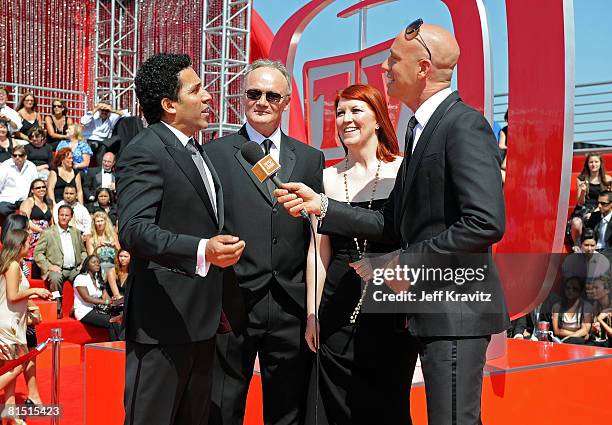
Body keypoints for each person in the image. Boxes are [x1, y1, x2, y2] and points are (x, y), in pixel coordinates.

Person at [276, 20, 509, 424]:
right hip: (426, 312)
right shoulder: (421, 130)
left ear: (422, 68)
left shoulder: (463, 125)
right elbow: (389, 221)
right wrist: (323, 206)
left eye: (393, 60)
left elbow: (484, 222)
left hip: (453, 314)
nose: (384, 68)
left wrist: (406, 261)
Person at [117, 53, 245, 425]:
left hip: (203, 322)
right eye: (197, 89)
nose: (208, 96)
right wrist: (202, 249)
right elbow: (134, 230)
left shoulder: (196, 150)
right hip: (161, 325)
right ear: (169, 105)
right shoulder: (145, 150)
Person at [203, 58, 324, 425]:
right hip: (232, 299)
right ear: (242, 98)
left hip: (289, 302)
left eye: (273, 95)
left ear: (286, 101)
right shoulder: (214, 153)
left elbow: (315, 236)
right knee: (223, 406)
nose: (263, 101)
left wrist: (311, 308)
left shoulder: (309, 158)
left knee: (288, 410)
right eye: (254, 93)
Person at [304, 84, 417, 424]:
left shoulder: (403, 170)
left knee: (388, 405)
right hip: (336, 310)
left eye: (356, 110)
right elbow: (318, 252)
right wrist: (313, 313)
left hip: (391, 308)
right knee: (335, 406)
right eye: (340, 112)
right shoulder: (325, 178)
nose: (346, 119)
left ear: (379, 119)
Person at [0, 228, 51, 419]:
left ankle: (10, 414)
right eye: (28, 243)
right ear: (19, 245)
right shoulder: (12, 265)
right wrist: (35, 292)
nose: (30, 246)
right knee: (18, 366)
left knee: (10, 366)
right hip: (9, 324)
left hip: (13, 322)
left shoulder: (14, 264)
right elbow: (13, 296)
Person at [33, 204, 87, 317]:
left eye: (66, 215)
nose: (63, 217)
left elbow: (83, 251)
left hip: (74, 269)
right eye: (61, 215)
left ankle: (80, 309)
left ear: (71, 217)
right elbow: (38, 253)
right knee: (55, 279)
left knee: (85, 278)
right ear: (57, 216)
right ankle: (57, 309)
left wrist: (82, 263)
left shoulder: (76, 232)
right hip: (56, 269)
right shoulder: (48, 232)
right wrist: (48, 266)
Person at [73, 254, 121, 341]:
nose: (97, 264)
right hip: (84, 311)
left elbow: (105, 296)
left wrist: (112, 300)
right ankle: (116, 347)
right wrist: (106, 302)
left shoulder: (98, 279)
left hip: (97, 309)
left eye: (98, 262)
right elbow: (87, 298)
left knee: (118, 317)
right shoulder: (80, 278)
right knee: (111, 321)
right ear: (87, 265)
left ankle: (120, 345)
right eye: (94, 262)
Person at [569, 154, 612, 247]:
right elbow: (580, 202)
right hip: (584, 208)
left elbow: (608, 199)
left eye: (596, 162)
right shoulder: (581, 179)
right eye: (591, 162)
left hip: (600, 208)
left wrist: (595, 212)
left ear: (600, 164)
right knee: (576, 223)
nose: (593, 164)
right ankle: (579, 246)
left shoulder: (607, 179)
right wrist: (583, 191)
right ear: (587, 164)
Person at [19, 179, 54, 272]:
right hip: (32, 233)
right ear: (32, 190)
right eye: (38, 187)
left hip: (46, 234)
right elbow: (25, 220)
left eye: (43, 187)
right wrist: (41, 231)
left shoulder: (48, 203)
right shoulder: (29, 201)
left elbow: (51, 222)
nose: (41, 189)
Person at [551, 276, 593, 344]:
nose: (570, 291)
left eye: (575, 289)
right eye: (568, 288)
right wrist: (578, 334)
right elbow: (557, 331)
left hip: (578, 341)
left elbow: (585, 330)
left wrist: (567, 336)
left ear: (581, 291)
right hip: (561, 339)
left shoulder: (586, 307)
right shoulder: (557, 306)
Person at [0, 145, 38, 218]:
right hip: (8, 200)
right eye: (15, 155)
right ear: (12, 156)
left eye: (20, 155)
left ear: (25, 156)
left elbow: (35, 184)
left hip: (24, 200)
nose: (17, 157)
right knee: (3, 209)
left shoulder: (31, 166)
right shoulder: (5, 165)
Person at [86, 211, 120, 278]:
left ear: (105, 222)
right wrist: (99, 247)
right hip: (99, 267)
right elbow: (91, 258)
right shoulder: (90, 239)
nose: (100, 223)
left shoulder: (113, 236)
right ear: (94, 223)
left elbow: (120, 252)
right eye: (97, 221)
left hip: (114, 265)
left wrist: (113, 246)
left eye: (102, 221)